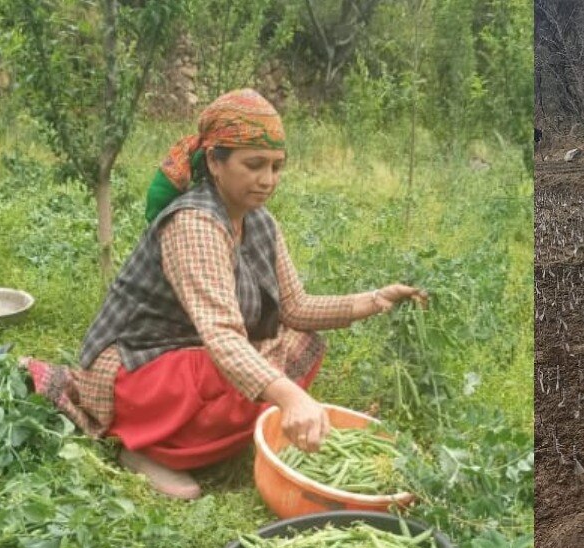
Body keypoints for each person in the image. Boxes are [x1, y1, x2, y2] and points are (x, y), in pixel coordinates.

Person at [23, 89, 427, 499]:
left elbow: (295, 308)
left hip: (189, 353)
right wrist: (290, 396)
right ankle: (144, 449)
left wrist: (374, 300)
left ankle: (196, 439)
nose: (267, 180)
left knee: (301, 344)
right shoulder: (194, 223)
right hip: (136, 367)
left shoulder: (260, 222)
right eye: (253, 165)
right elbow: (221, 335)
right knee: (241, 369)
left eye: (276, 167)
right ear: (215, 162)